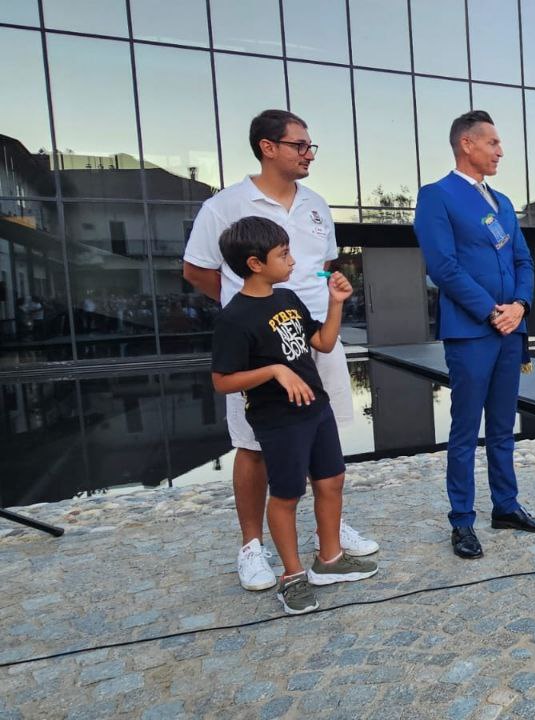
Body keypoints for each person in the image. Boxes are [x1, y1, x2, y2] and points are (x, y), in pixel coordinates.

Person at [183, 109, 377, 592]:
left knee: (321, 434)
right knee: (253, 446)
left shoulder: (315, 204)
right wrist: (250, 315)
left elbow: (323, 265)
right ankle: (252, 546)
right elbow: (197, 271)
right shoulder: (225, 206)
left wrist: (324, 307)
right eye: (300, 145)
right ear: (268, 148)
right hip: (260, 351)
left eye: (311, 146)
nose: (309, 154)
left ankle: (329, 536)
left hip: (315, 336)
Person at [210, 217, 378, 615]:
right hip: (279, 420)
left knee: (332, 480)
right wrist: (274, 371)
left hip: (316, 409)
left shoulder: (287, 298)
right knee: (286, 495)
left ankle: (330, 560)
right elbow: (222, 381)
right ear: (255, 264)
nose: (292, 260)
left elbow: (323, 341)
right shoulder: (234, 318)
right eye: (283, 254)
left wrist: (336, 303)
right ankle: (293, 576)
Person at [414, 110, 535, 559]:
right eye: (492, 143)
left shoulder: (504, 202)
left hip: (511, 328)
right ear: (466, 144)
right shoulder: (437, 196)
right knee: (465, 429)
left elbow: (524, 261)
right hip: (472, 331)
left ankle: (506, 506)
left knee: (503, 426)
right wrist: (492, 311)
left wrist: (521, 306)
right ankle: (462, 520)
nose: (500, 151)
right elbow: (443, 267)